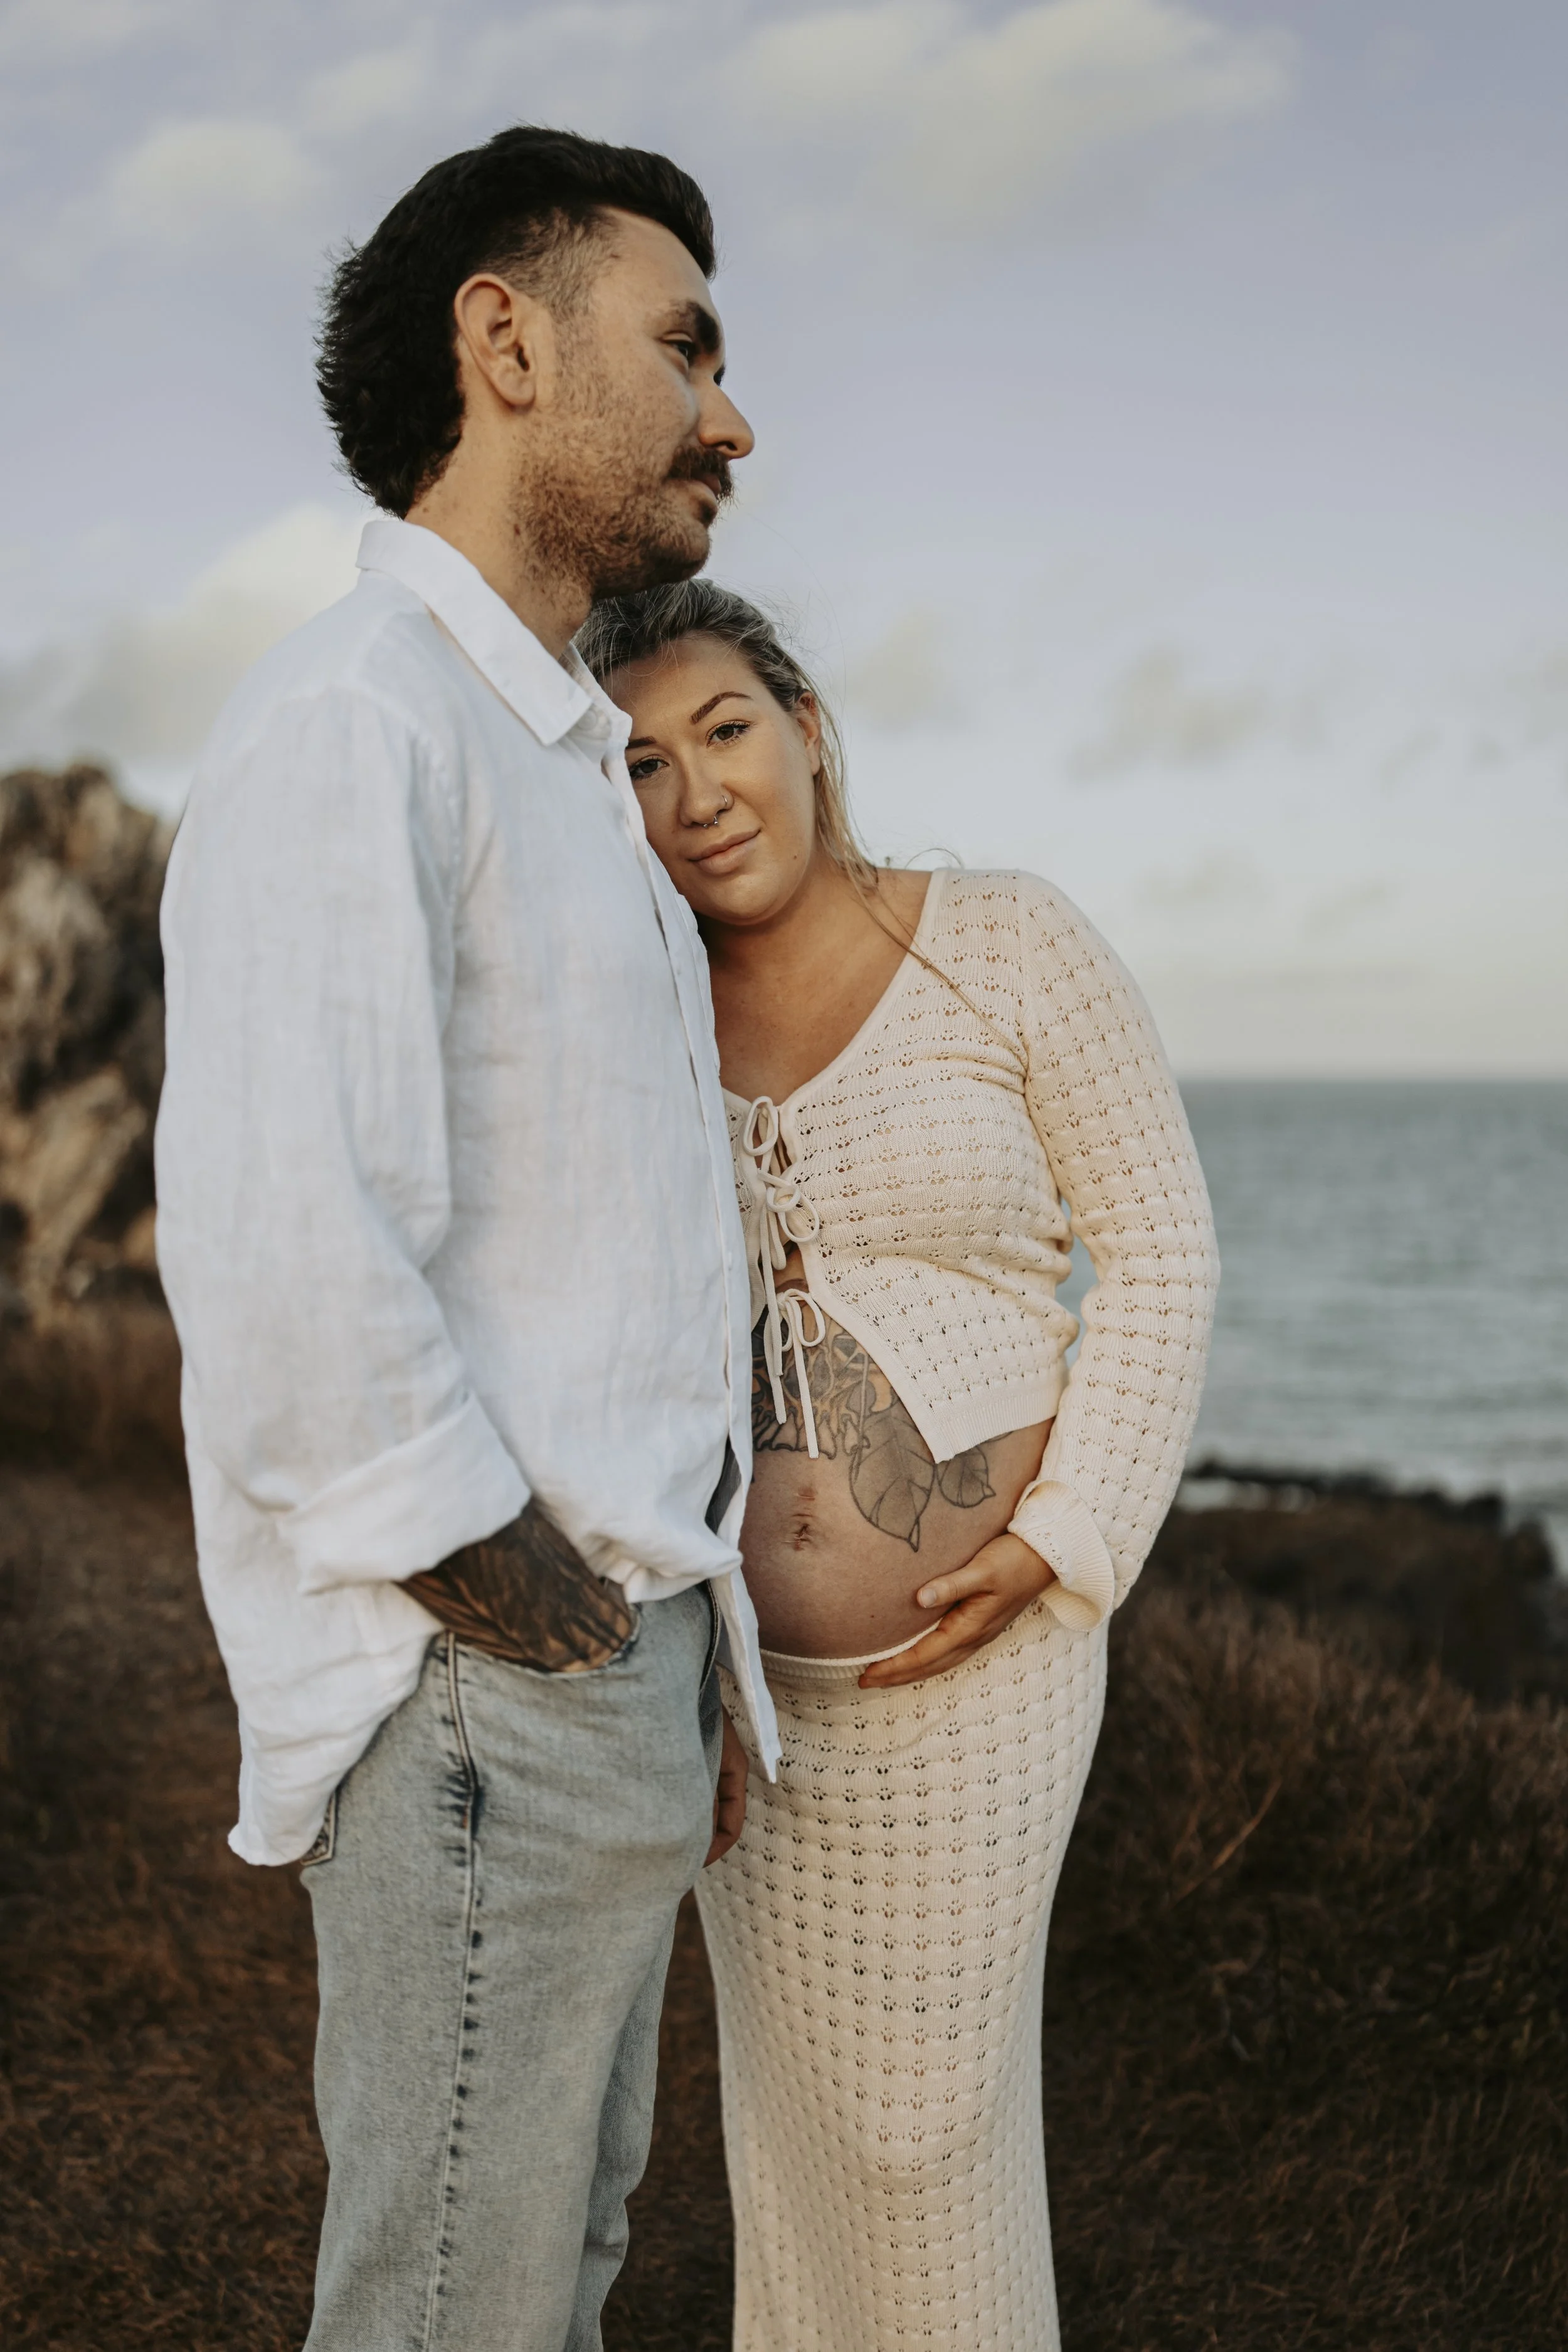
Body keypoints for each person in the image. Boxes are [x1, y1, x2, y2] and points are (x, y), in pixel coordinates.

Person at [154, 130, 778, 2352]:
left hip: (596, 1665)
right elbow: (284, 1245)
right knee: (449, 2313)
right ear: (504, 343)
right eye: (684, 341)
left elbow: (607, 1252)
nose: (731, 412)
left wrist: (674, 1614)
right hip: (490, 1691)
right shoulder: (359, 717)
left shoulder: (550, 754)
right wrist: (551, 1621)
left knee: (551, 2276)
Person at [578, 580, 1221, 2351]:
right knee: (789, 2135)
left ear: (804, 730)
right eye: (638, 763)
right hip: (741, 1693)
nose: (697, 788)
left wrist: (1069, 1536)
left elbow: (1159, 1251)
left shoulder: (1004, 941)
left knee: (923, 2135)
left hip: (978, 1673)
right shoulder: (635, 1019)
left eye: (723, 729)